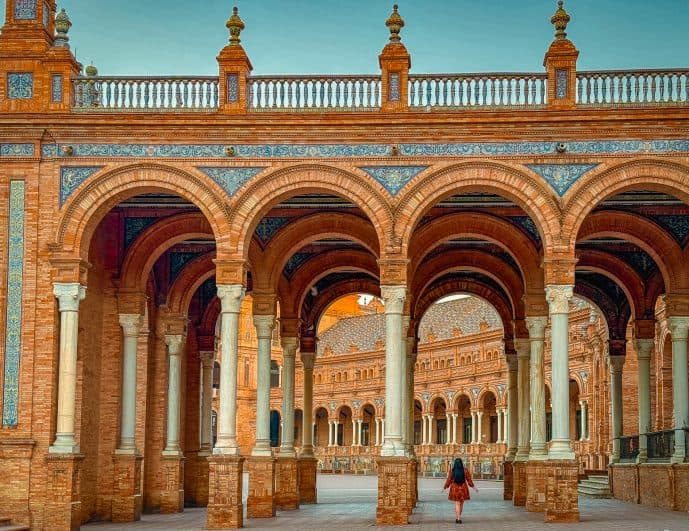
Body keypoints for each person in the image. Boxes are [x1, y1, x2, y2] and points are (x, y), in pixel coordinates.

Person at [442, 457, 477, 524]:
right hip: (463, 489)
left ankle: (458, 518)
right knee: (461, 503)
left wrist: (444, 487)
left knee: (457, 503)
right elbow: (469, 479)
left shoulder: (452, 470)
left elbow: (448, 480)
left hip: (455, 489)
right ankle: (459, 517)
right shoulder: (465, 470)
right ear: (461, 463)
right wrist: (474, 487)